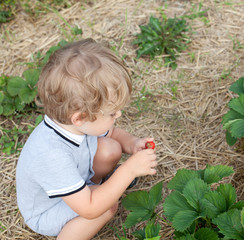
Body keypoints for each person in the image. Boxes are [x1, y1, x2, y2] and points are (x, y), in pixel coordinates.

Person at [16, 38, 158, 239]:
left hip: (74, 183)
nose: (118, 115)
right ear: (80, 118)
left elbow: (114, 134)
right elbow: (89, 209)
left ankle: (96, 187)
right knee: (106, 207)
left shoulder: (72, 123)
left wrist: (132, 143)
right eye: (111, 113)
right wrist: (129, 170)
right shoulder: (51, 155)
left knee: (112, 148)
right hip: (48, 211)